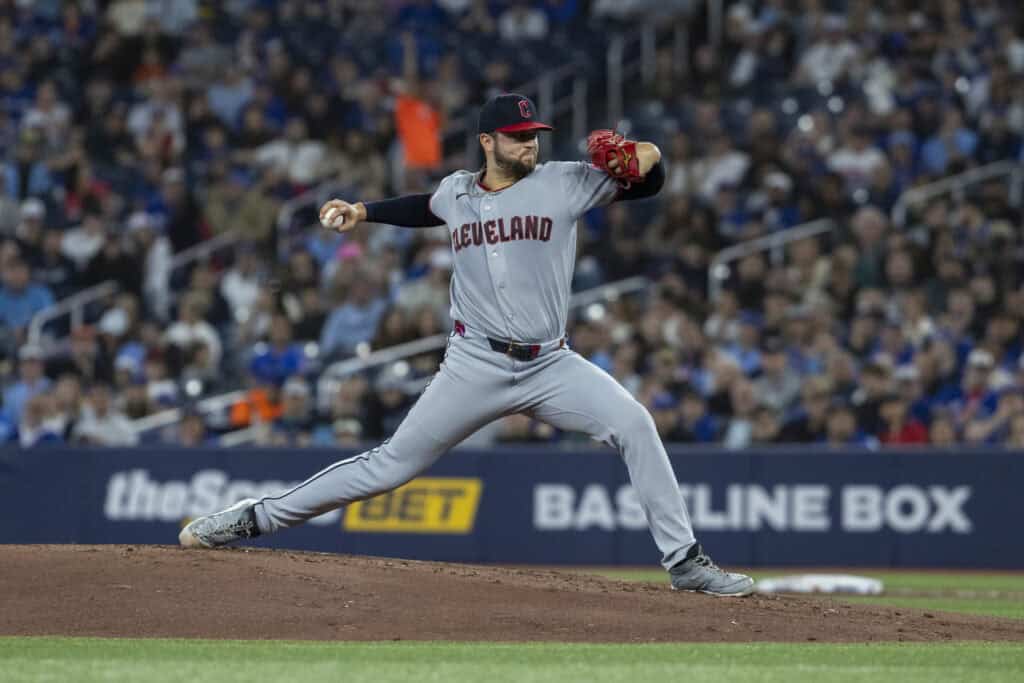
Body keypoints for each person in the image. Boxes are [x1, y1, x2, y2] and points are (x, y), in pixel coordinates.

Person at [180, 94, 753, 597]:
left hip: (550, 362)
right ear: (487, 141)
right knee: (387, 468)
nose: (530, 144)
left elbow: (649, 179)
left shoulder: (565, 182)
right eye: (518, 137)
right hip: (473, 362)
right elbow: (420, 208)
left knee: (634, 423)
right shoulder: (456, 192)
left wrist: (641, 153)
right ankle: (253, 518)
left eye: (534, 136)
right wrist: (362, 212)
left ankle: (684, 562)